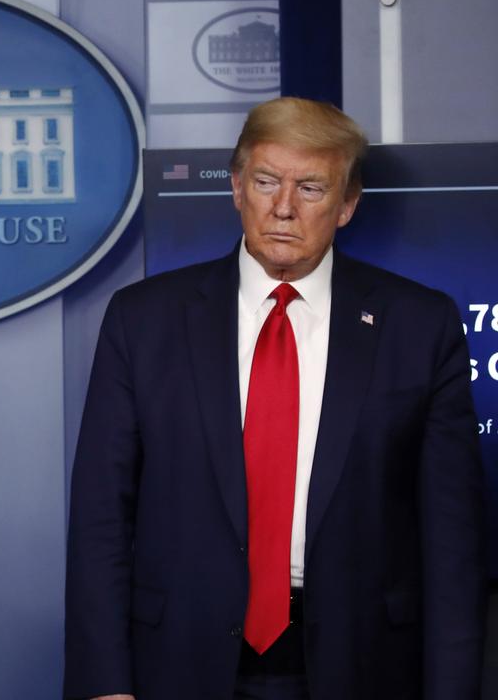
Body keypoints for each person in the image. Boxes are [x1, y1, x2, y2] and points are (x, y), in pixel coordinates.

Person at [64, 98, 484, 700]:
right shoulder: (144, 321)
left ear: (347, 205)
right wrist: (103, 684)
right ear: (237, 187)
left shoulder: (419, 326)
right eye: (266, 182)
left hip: (363, 666)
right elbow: (101, 518)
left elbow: (453, 542)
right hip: (177, 663)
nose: (283, 207)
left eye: (311, 188)